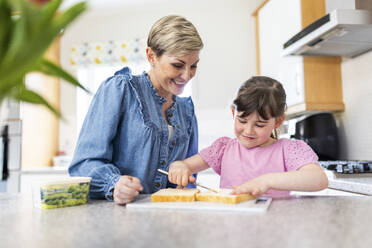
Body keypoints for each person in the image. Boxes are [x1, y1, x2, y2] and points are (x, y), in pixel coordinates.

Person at [69, 15, 203, 204]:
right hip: (118, 219)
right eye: (178, 65)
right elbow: (83, 164)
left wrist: (186, 187)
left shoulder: (186, 110)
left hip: (169, 220)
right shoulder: (120, 89)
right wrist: (115, 184)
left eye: (194, 66)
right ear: (151, 56)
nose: (187, 75)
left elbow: (188, 173)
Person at [168, 76, 328, 196]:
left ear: (278, 122)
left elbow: (318, 179)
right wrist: (179, 167)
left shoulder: (288, 150)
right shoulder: (223, 148)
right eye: (242, 121)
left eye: (259, 125)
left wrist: (267, 181)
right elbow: (184, 165)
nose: (248, 131)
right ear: (233, 113)